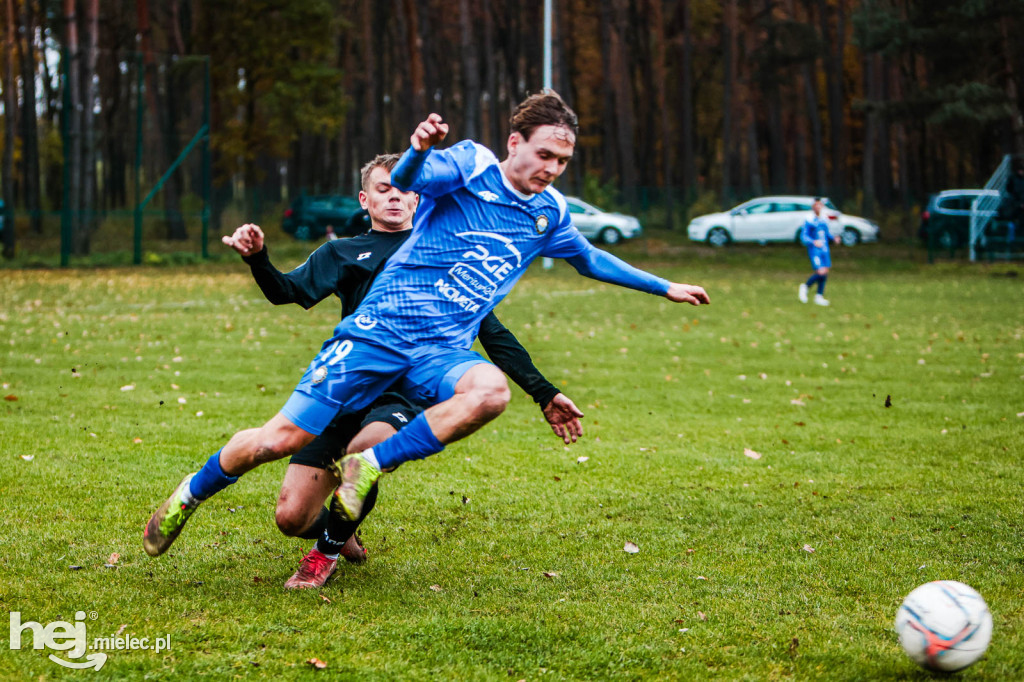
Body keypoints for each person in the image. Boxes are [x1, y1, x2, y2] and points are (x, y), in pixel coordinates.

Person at [144, 90, 708, 563]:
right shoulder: (470, 164)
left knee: (489, 392)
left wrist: (663, 285)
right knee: (277, 440)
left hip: (439, 351)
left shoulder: (550, 212)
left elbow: (588, 258)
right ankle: (188, 496)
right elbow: (416, 175)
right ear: (516, 142)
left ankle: (368, 468)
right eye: (544, 155)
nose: (552, 169)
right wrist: (416, 150)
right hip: (375, 336)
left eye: (562, 161)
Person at [219, 153, 583, 589]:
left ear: (419, 197)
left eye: (403, 189)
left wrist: (543, 392)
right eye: (382, 189)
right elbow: (286, 291)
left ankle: (325, 554)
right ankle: (342, 527)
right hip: (345, 388)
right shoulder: (341, 252)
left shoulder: (444, 255)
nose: (394, 197)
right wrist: (258, 257)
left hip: (405, 392)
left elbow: (494, 333)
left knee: (365, 455)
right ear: (364, 199)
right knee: (291, 517)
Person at [798, 198, 840, 306]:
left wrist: (833, 238)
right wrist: (813, 242)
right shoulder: (809, 220)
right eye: (816, 205)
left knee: (825, 272)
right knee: (820, 272)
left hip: (825, 250)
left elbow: (826, 234)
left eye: (819, 205)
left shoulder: (823, 219)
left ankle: (819, 296)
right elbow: (803, 236)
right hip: (815, 250)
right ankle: (805, 287)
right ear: (813, 207)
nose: (818, 207)